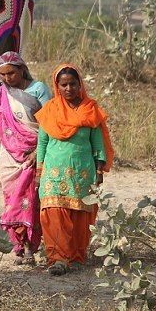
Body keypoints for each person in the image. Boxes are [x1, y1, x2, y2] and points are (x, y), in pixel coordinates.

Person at [34, 64, 114, 276]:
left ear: (80, 85)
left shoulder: (91, 111)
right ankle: (58, 259)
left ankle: (76, 258)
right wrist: (38, 172)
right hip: (53, 173)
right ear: (57, 87)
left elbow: (98, 145)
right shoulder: (49, 111)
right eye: (64, 85)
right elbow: (42, 144)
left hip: (82, 173)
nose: (68, 88)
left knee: (80, 215)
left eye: (73, 84)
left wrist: (99, 173)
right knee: (52, 215)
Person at [0, 52, 51, 265]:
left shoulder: (38, 89)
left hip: (34, 153)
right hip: (9, 156)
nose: (7, 78)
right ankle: (19, 245)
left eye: (11, 73)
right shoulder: (0, 94)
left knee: (30, 200)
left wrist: (37, 153)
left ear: (22, 69)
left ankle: (31, 246)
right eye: (2, 74)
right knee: (12, 200)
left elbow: (49, 125)